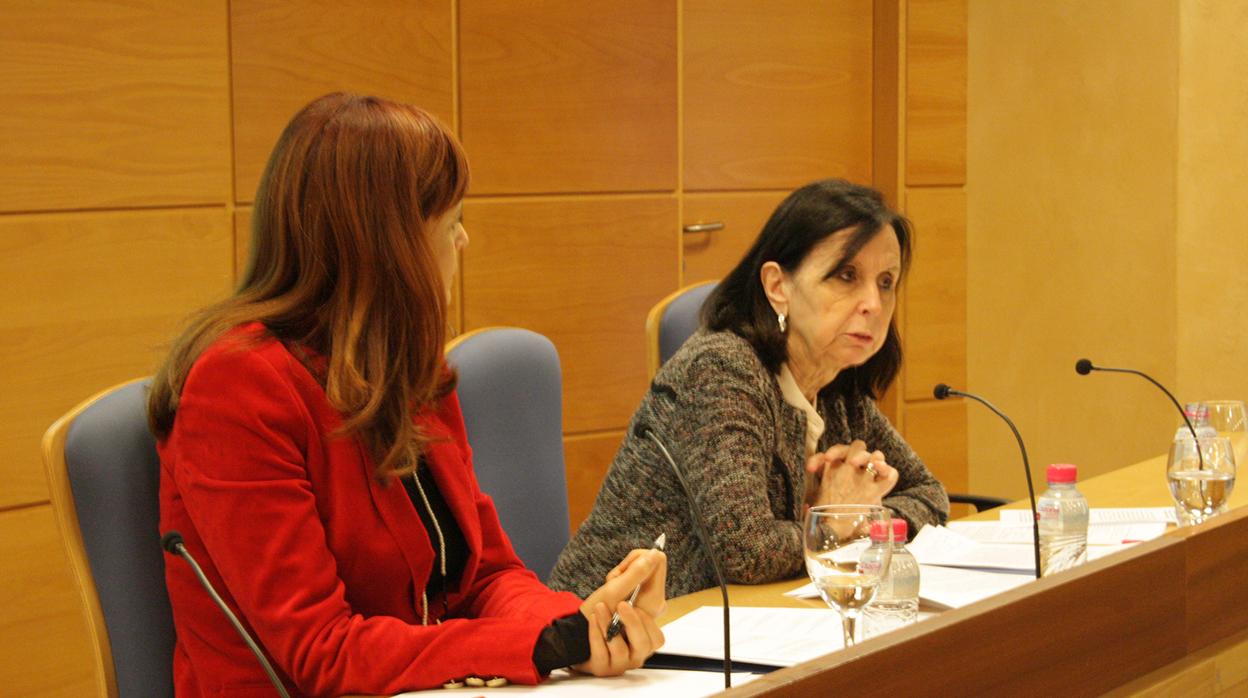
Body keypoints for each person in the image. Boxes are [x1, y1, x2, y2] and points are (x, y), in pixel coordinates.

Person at [148, 93, 665, 697]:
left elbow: (487, 575)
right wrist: (537, 646)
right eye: (450, 224)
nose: (464, 242)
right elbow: (320, 652)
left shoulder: (408, 366)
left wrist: (577, 626)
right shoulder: (237, 388)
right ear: (385, 246)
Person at [549, 179, 949, 599]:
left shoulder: (837, 386)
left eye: (886, 282)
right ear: (778, 287)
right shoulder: (722, 371)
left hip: (732, 626)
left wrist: (857, 517)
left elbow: (929, 496)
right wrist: (835, 522)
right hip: (612, 630)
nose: (873, 302)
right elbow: (745, 551)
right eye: (846, 276)